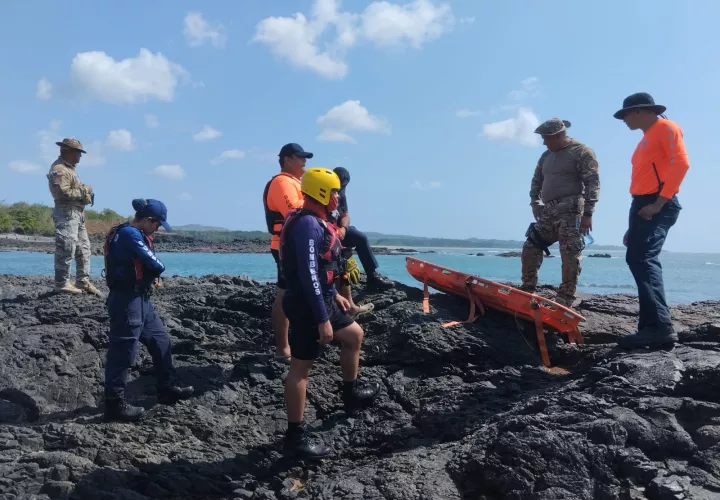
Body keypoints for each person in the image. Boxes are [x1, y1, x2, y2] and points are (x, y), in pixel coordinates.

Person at [279, 167, 380, 458]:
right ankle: (295, 436)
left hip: (321, 298)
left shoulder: (315, 222)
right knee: (301, 367)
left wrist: (335, 293)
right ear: (322, 192)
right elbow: (309, 273)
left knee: (354, 335)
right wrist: (323, 318)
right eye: (334, 191)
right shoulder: (308, 225)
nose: (337, 197)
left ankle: (351, 394)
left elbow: (318, 271)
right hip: (307, 306)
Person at [102, 199, 194, 422]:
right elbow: (156, 265)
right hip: (126, 299)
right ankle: (114, 404)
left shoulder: (133, 233)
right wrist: (156, 273)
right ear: (147, 220)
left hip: (140, 298)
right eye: (157, 224)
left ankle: (166, 388)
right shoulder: (129, 235)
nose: (158, 228)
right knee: (123, 352)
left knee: (160, 340)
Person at [613, 93, 689, 349]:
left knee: (644, 258)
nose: (623, 119)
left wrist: (659, 204)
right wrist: (632, 225)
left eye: (625, 114)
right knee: (636, 258)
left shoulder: (666, 127)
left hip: (658, 202)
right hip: (642, 204)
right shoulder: (646, 139)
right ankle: (648, 326)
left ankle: (660, 327)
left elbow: (681, 163)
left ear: (639, 111)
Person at [520, 118, 600, 307]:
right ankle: (527, 288)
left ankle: (565, 298)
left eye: (546, 138)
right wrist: (534, 202)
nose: (544, 142)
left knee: (570, 254)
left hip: (571, 210)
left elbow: (592, 183)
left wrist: (588, 214)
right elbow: (537, 179)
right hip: (548, 211)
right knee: (531, 246)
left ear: (558, 136)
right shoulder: (546, 156)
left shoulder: (581, 151)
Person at [262, 143, 312, 364]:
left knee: (299, 292)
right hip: (285, 247)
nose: (305, 162)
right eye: (301, 157)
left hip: (297, 245)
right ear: (288, 159)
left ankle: (303, 341)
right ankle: (283, 349)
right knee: (285, 294)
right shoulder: (282, 181)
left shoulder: (296, 182)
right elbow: (294, 211)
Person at [46, 138, 100, 295]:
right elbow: (61, 193)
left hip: (76, 213)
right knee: (66, 247)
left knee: (83, 248)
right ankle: (62, 283)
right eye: (77, 153)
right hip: (66, 213)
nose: (80, 157)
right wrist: (85, 191)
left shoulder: (70, 169)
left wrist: (84, 191)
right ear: (67, 151)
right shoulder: (59, 169)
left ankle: (82, 281)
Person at [330, 167, 394, 292]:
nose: (341, 188)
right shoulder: (324, 190)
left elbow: (345, 215)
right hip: (326, 231)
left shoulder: (341, 193)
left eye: (344, 185)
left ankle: (372, 276)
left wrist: (343, 228)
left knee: (360, 238)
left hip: (340, 230)